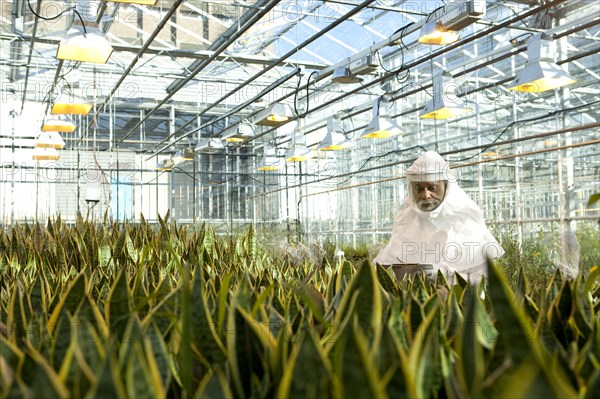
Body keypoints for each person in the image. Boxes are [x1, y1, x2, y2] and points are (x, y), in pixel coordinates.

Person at [374, 151, 504, 284]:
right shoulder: (406, 220)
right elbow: (386, 268)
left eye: (432, 187)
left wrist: (442, 274)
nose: (426, 195)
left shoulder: (465, 222)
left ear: (446, 186)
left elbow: (485, 282)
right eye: (419, 189)